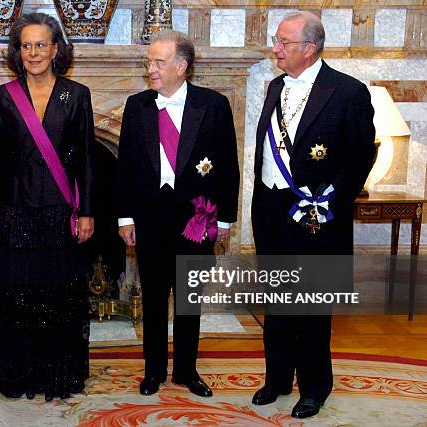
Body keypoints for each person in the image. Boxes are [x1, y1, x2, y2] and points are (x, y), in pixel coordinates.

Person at [250, 11, 375, 418]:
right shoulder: (274, 86)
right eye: (277, 41)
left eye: (284, 43)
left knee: (311, 304)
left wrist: (328, 201)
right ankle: (277, 378)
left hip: (315, 215)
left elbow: (359, 157)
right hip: (271, 209)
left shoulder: (348, 92)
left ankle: (314, 387)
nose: (276, 49)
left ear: (310, 47)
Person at [115, 30, 239, 397]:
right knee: (153, 299)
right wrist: (125, 218)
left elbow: (228, 167)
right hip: (150, 221)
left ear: (182, 66)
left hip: (195, 222)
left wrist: (225, 220)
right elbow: (124, 168)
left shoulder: (213, 105)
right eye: (148, 62)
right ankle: (153, 371)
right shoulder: (137, 106)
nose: (150, 69)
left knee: (189, 299)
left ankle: (186, 370)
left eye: (158, 62)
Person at [0, 13, 95, 401]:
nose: (33, 52)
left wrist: (86, 212)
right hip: (15, 210)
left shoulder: (76, 94)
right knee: (19, 291)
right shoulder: (4, 95)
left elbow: (85, 160)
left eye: (41, 44)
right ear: (18, 51)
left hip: (59, 210)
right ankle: (20, 372)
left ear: (56, 49)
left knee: (58, 292)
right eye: (26, 45)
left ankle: (56, 373)